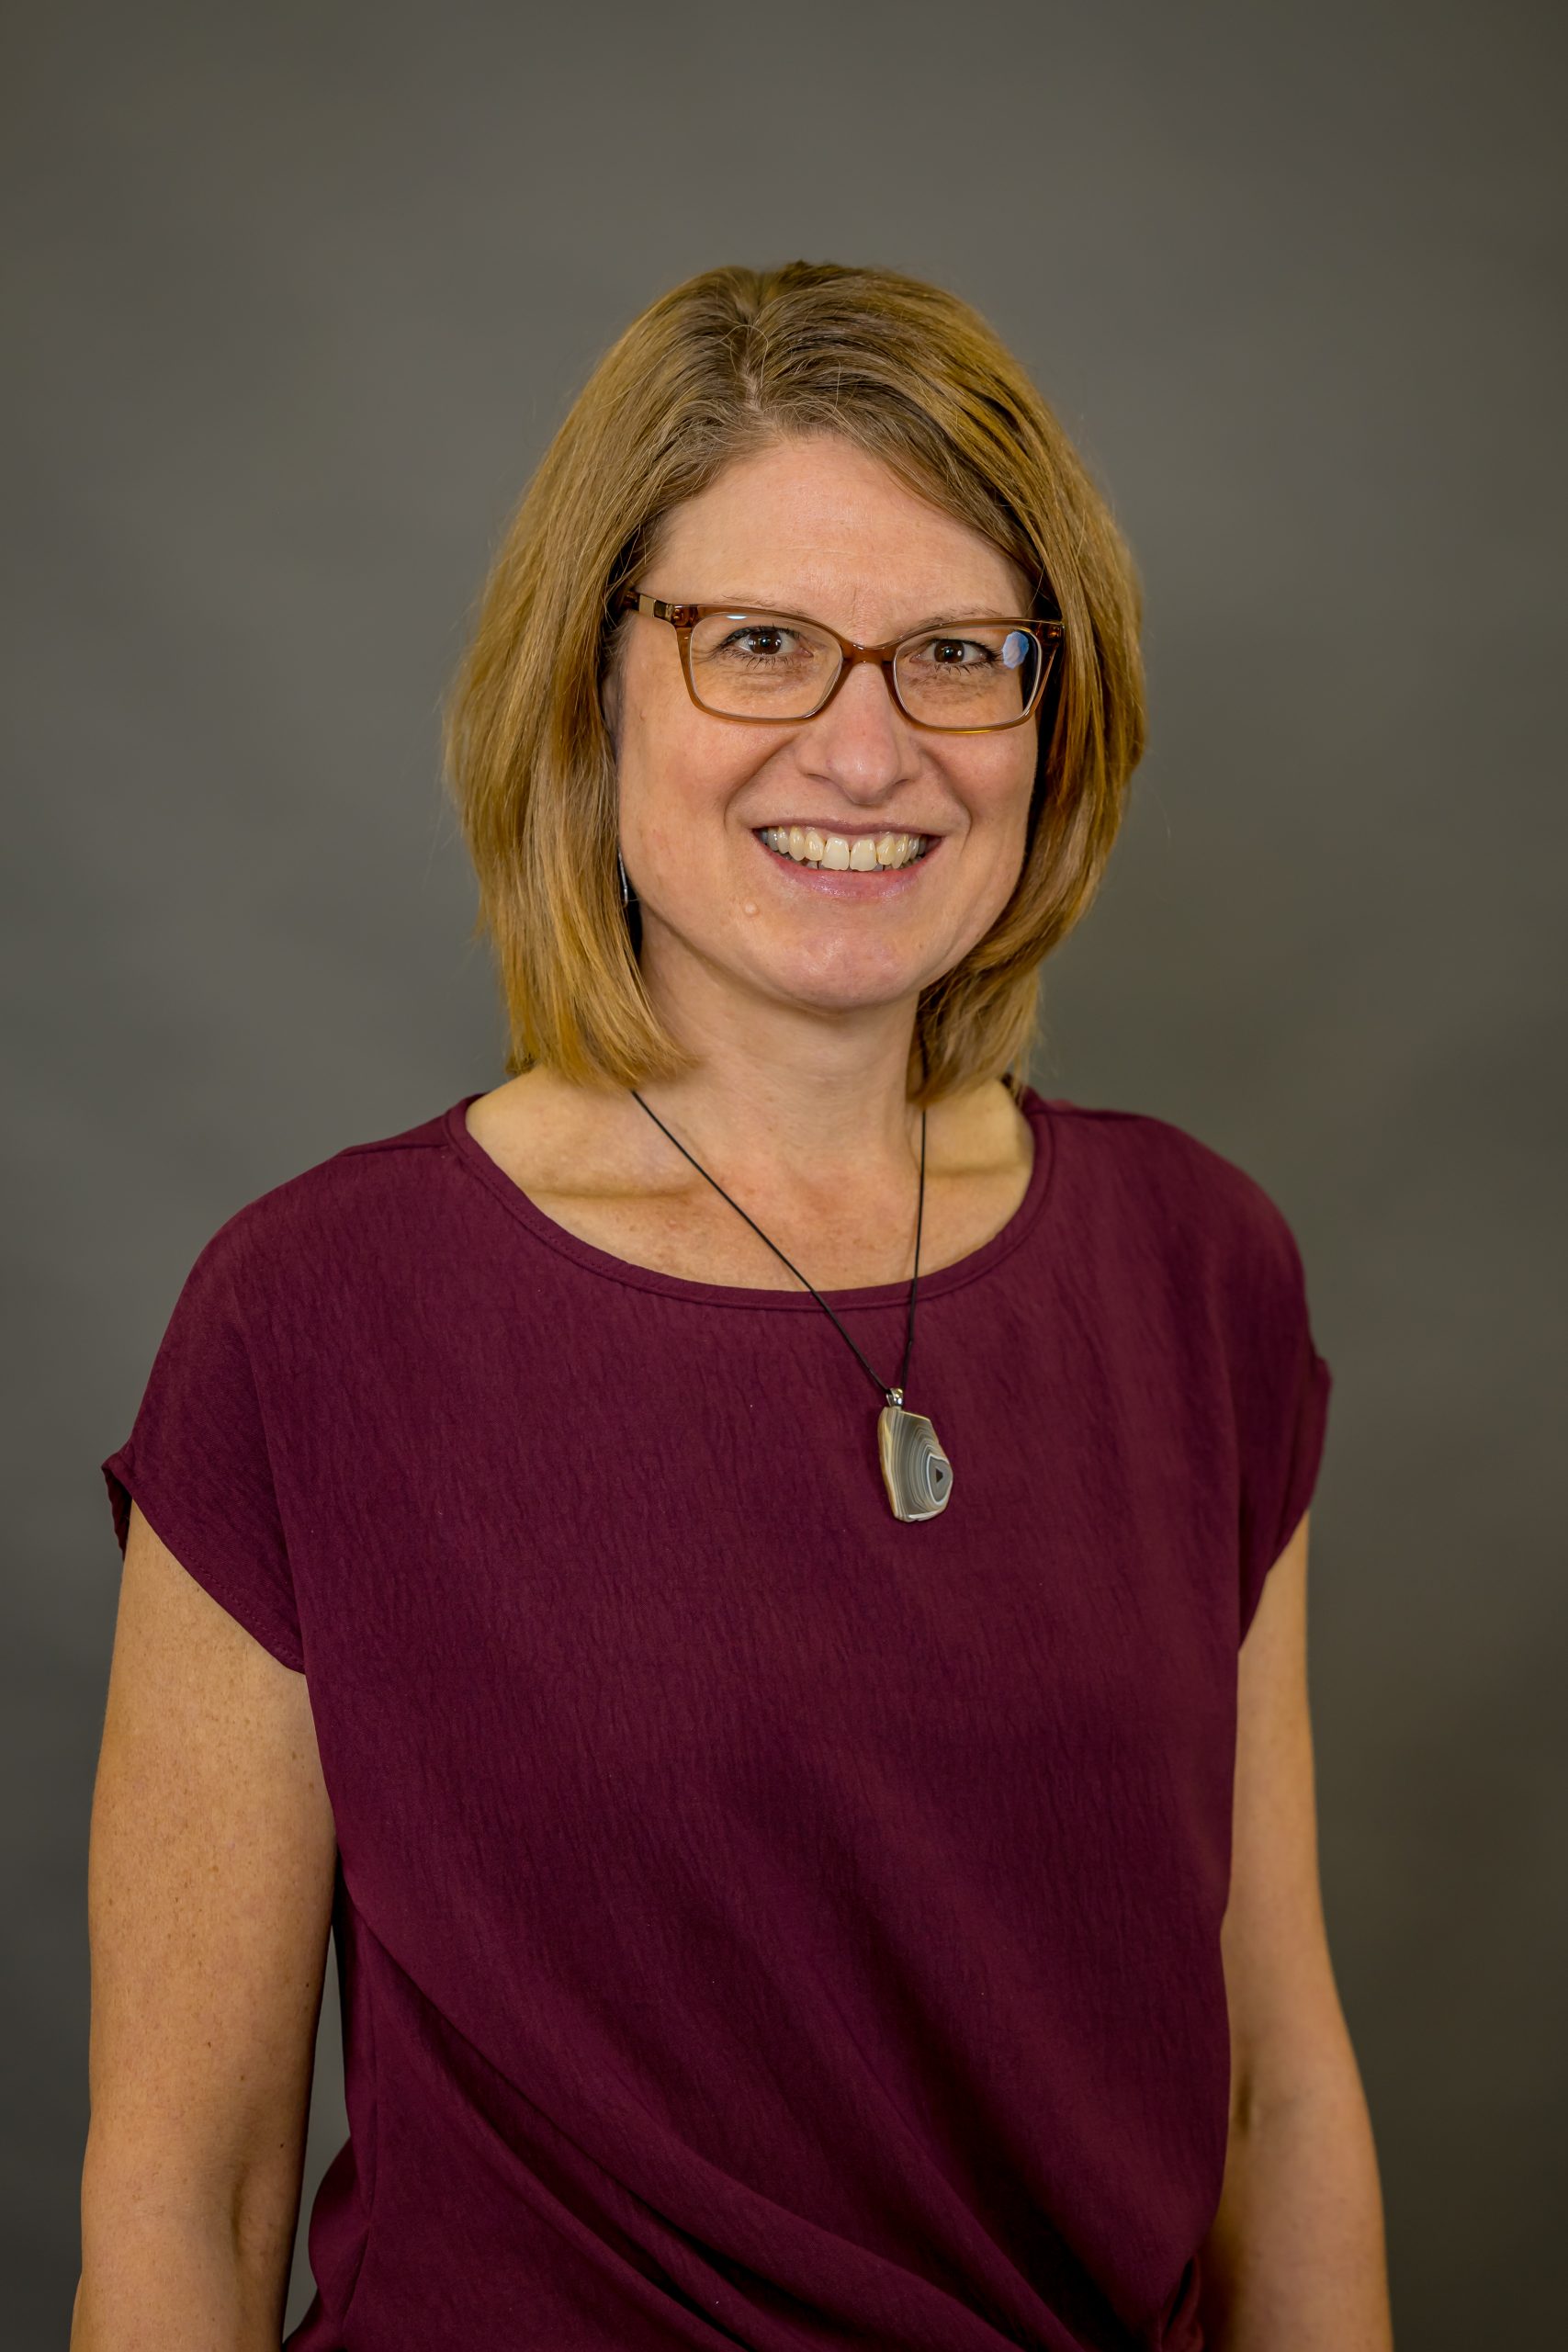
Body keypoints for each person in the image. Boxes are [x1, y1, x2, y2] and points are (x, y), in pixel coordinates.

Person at [75, 261, 1393, 2349]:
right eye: (758, 643)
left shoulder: (1197, 1274)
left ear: (1054, 713)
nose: (861, 749)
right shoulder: (308, 1319)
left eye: (956, 652)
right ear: (591, 684)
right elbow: (186, 2187)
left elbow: (1271, 2087)